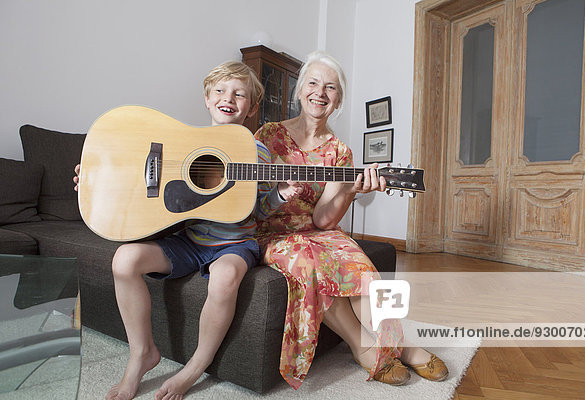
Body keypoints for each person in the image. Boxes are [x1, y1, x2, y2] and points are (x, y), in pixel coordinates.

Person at [74, 61, 301, 400]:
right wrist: (95, 178)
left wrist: (280, 194)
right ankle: (142, 354)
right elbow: (133, 171)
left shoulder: (259, 154)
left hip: (234, 244)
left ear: (252, 108)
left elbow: (254, 210)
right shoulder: (181, 142)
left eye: (240, 94)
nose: (229, 98)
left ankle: (195, 366)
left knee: (225, 277)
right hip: (188, 241)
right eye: (221, 91)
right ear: (208, 99)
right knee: (124, 260)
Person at [254, 50, 448, 389]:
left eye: (330, 87)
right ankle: (363, 346)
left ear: (338, 99)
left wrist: (348, 191)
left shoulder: (340, 153)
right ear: (299, 91)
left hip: (318, 231)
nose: (320, 92)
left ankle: (399, 342)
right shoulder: (268, 136)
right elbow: (249, 197)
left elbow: (323, 220)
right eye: (313, 83)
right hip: (275, 232)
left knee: (362, 267)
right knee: (309, 263)